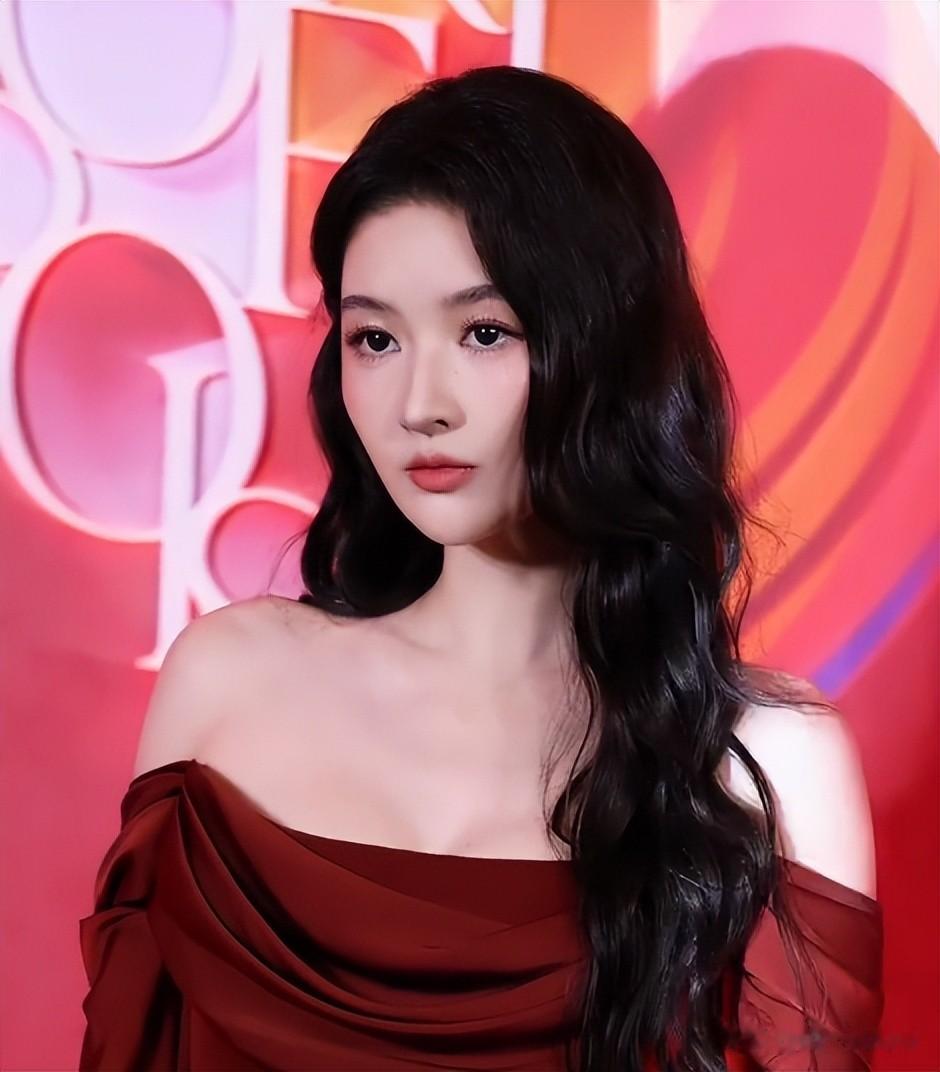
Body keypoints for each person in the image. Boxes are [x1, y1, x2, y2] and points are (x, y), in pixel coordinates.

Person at [78, 65, 883, 1071]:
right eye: (375, 338)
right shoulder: (227, 680)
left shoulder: (762, 761)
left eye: (484, 332)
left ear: (611, 348)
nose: (421, 404)